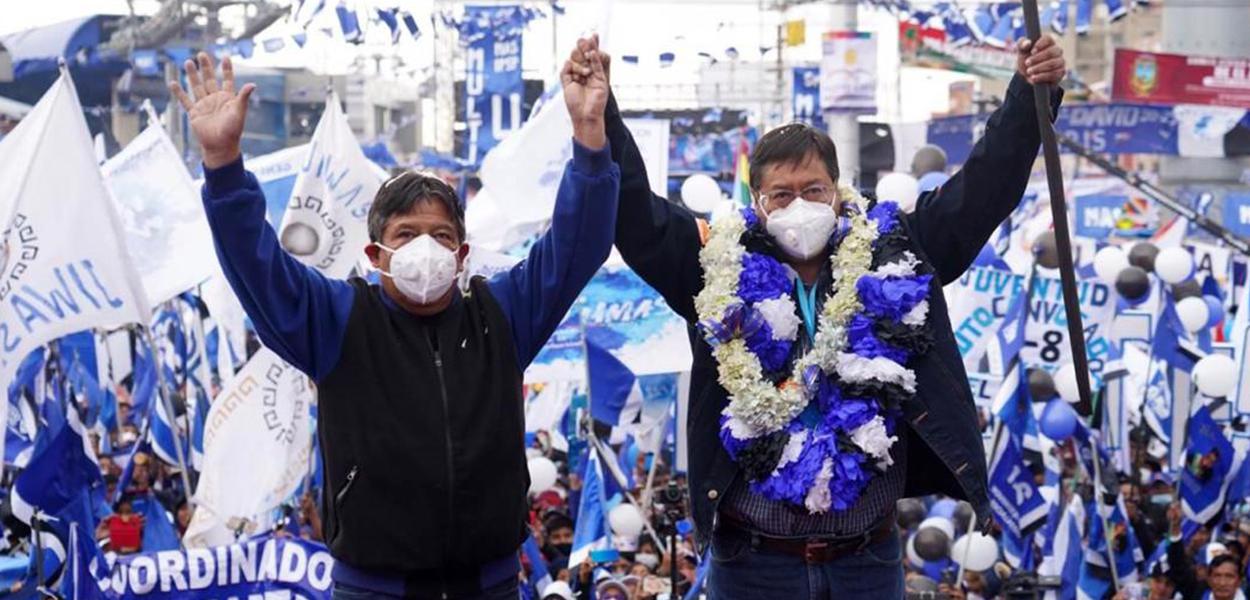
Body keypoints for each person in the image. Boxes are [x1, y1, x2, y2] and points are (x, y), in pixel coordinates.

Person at [575, 29, 1066, 598]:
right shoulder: (712, 265)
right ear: (756, 204)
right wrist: (598, 119)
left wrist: (1030, 97)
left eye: (814, 189)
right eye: (781, 195)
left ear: (838, 191)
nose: (800, 206)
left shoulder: (896, 250)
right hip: (751, 563)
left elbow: (981, 191)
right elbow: (635, 213)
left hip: (866, 561)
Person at [168, 47, 618, 599]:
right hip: (374, 589)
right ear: (375, 254)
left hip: (491, 586)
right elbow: (257, 267)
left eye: (442, 236)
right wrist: (223, 165)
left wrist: (591, 135)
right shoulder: (337, 319)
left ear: (463, 254)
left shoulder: (500, 316)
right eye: (407, 235)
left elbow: (579, 244)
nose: (425, 248)